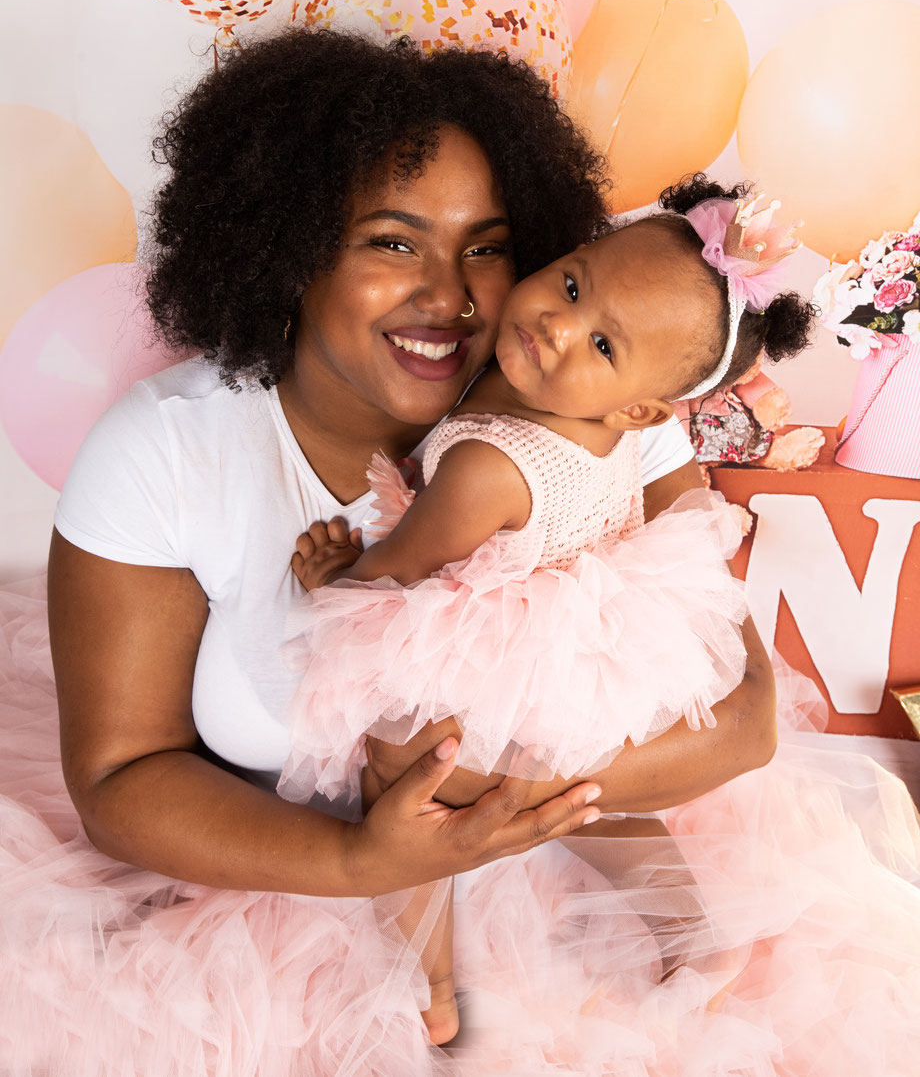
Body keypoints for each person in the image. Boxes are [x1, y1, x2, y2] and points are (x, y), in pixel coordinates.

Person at [1, 30, 778, 1076]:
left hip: (572, 906)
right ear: (291, 242)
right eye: (393, 242)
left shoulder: (600, 404)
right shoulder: (169, 449)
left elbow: (743, 722)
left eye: (489, 246)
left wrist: (486, 796)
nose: (452, 296)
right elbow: (121, 779)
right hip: (285, 904)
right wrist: (366, 855)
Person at [278, 176, 816, 1043]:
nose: (557, 326)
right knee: (597, 800)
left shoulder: (486, 466)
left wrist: (330, 583)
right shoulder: (608, 421)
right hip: (584, 651)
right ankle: (690, 928)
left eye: (601, 343)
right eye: (571, 284)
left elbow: (400, 574)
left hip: (501, 651)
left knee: (400, 782)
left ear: (641, 407)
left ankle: (430, 987)